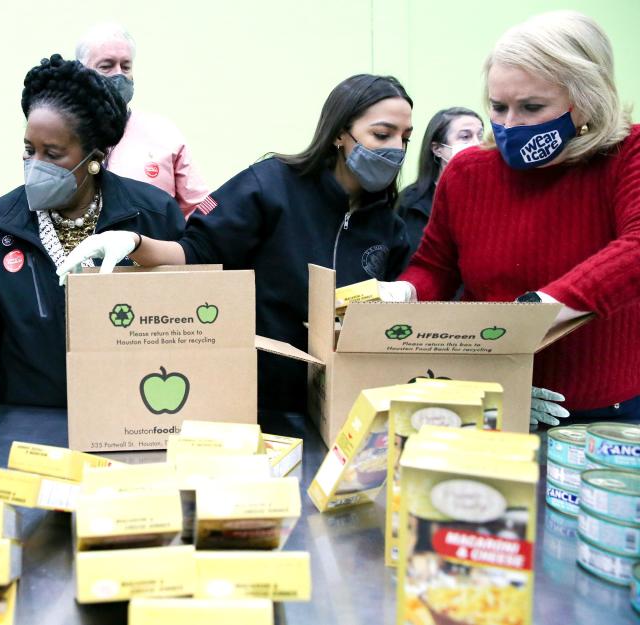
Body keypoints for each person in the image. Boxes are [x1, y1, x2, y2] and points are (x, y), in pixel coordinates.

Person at [58, 74, 413, 412]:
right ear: (339, 133)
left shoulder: (389, 223)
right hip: (258, 398)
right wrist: (134, 242)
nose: (396, 149)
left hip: (344, 405)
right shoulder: (270, 186)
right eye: (382, 134)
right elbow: (196, 252)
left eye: (405, 138)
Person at [392, 11, 640, 428]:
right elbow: (435, 267)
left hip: (599, 414)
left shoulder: (625, 154)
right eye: (498, 106)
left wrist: (540, 309)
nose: (509, 125)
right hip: (488, 397)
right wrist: (405, 293)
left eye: (531, 107)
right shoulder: (469, 172)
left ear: (586, 99)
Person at [0, 54, 184, 406]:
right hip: (29, 421)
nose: (36, 166)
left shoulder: (152, 214)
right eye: (30, 150)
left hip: (137, 413)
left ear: (94, 158)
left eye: (54, 153)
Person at [77, 22, 210, 219]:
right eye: (106, 66)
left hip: (154, 248)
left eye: (126, 66)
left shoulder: (164, 133)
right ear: (81, 72)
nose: (119, 75)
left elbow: (201, 207)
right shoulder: (64, 136)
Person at [396, 107, 483, 256]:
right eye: (465, 136)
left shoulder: (491, 198)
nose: (477, 144)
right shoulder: (411, 203)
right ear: (437, 149)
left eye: (480, 136)